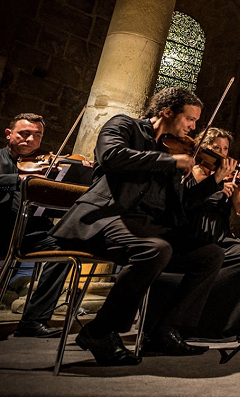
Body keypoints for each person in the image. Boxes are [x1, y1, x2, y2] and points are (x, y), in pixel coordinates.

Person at [50, 87, 228, 366]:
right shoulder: (124, 126)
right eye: (190, 119)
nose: (194, 128)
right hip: (106, 218)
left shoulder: (178, 152)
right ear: (167, 111)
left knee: (210, 254)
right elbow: (110, 156)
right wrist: (169, 161)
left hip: (148, 226)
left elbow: (182, 205)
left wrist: (213, 182)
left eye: (195, 122)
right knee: (155, 250)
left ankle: (163, 330)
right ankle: (100, 331)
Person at [146, 128, 240, 339]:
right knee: (210, 256)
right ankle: (189, 322)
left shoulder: (231, 177)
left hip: (221, 236)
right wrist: (213, 186)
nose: (222, 153)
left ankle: (226, 323)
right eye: (216, 148)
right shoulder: (189, 171)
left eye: (225, 149)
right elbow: (182, 206)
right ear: (203, 148)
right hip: (193, 234)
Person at [1, 113, 87, 338]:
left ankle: (33, 320)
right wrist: (17, 179)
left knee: (65, 251)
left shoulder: (47, 165)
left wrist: (82, 169)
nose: (30, 140)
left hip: (30, 232)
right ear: (9, 134)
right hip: (2, 228)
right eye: (24, 134)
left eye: (37, 136)